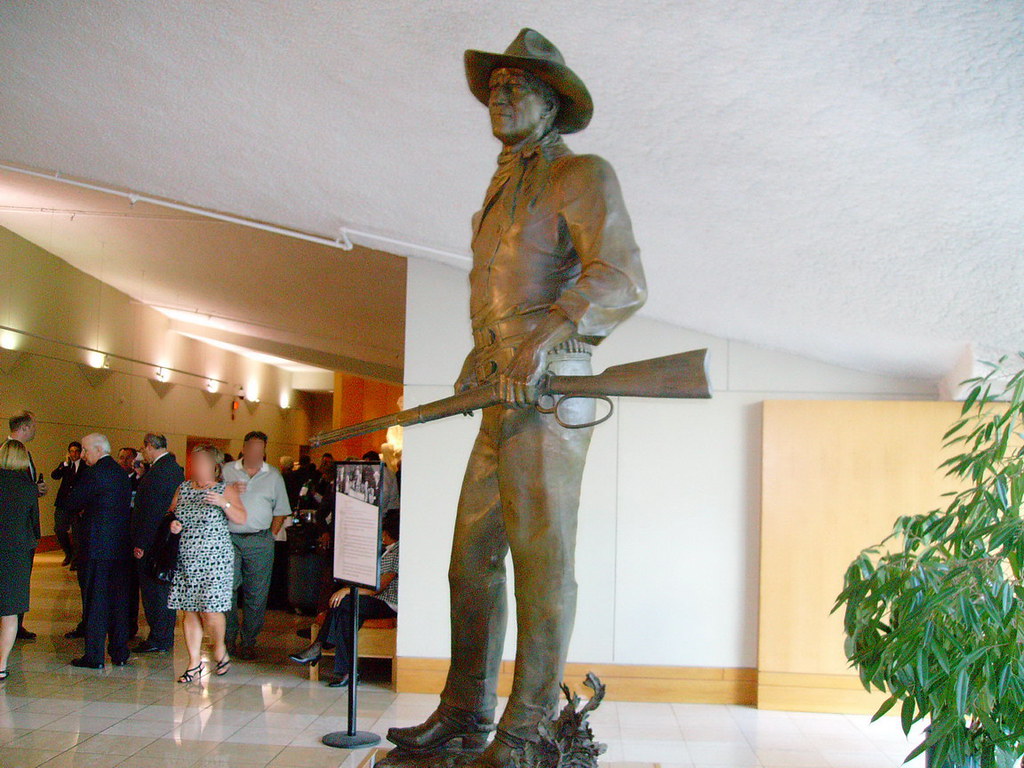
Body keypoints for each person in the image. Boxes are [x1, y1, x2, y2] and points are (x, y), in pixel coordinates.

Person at [387, 30, 646, 768]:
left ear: (553, 103)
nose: (499, 95)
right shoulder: (502, 189)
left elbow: (620, 279)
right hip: (503, 395)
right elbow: (506, 301)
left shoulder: (580, 174)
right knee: (469, 562)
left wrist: (543, 345)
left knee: (541, 564)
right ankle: (466, 711)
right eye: (494, 86)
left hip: (550, 395)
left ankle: (527, 728)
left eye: (516, 85)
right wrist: (485, 353)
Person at [289, 510, 399, 686]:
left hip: (387, 603)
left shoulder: (398, 552)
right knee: (345, 617)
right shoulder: (386, 550)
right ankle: (347, 672)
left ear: (388, 532)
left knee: (344, 600)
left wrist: (348, 590)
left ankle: (319, 645)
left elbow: (379, 588)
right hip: (376, 600)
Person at [167, 444, 246, 682]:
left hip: (215, 559)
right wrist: (173, 525)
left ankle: (219, 648)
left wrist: (224, 503)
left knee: (210, 610)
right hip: (186, 558)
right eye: (193, 462)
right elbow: (170, 513)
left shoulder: (225, 489)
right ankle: (193, 664)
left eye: (201, 462)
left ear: (214, 466)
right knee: (189, 609)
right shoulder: (183, 488)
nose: (196, 467)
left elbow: (242, 518)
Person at [63, 433, 134, 669]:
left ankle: (94, 656)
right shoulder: (120, 473)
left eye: (84, 450)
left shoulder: (92, 474)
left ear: (97, 449)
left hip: (96, 547)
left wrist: (84, 509)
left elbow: (71, 502)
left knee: (95, 601)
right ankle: (120, 652)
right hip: (120, 547)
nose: (82, 455)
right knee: (118, 600)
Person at [221, 431, 289, 659]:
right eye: (252, 449)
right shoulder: (227, 470)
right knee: (226, 589)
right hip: (229, 537)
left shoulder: (274, 476)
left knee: (256, 594)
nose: (256, 454)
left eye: (260, 450)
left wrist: (270, 535)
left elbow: (281, 511)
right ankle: (228, 639)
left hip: (260, 539)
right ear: (244, 448)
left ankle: (248, 641)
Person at [130, 433, 184, 654]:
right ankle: (162, 636)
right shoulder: (171, 469)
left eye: (143, 449)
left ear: (150, 447)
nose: (142, 453)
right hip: (163, 539)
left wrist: (141, 543)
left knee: (154, 591)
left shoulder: (159, 472)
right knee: (161, 590)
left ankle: (159, 638)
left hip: (154, 541)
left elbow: (150, 512)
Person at [0, 440, 41, 680]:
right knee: (9, 612)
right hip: (16, 556)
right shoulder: (27, 488)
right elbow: (34, 526)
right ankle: (1, 664)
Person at [8, 411, 45, 640]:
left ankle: (16, 623)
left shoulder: (25, 454)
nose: (35, 430)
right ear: (24, 427)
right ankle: (10, 622)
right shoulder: (8, 454)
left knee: (22, 580)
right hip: (15, 532)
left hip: (25, 529)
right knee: (14, 580)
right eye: (33, 426)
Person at [51, 441, 83, 566]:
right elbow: (55, 475)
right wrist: (65, 464)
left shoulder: (85, 466)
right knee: (59, 529)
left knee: (77, 534)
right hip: (63, 503)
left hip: (77, 505)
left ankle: (76, 560)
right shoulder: (65, 465)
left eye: (76, 451)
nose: (74, 454)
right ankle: (68, 553)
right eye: (72, 451)